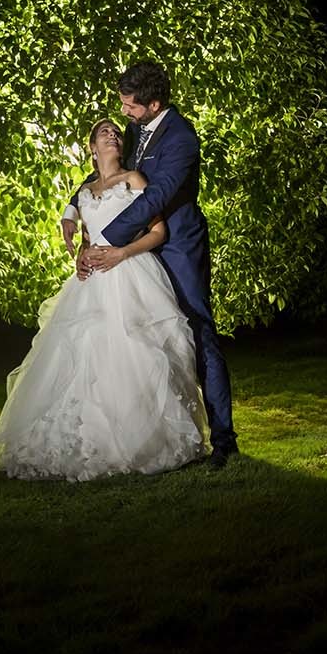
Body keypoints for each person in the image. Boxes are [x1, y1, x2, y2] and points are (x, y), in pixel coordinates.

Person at [0, 119, 205, 480]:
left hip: (130, 273)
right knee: (79, 354)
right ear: (91, 147)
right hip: (91, 282)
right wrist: (79, 247)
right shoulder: (84, 190)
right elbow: (82, 221)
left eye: (117, 132)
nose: (113, 134)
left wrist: (121, 253)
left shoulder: (135, 179)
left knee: (132, 349)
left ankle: (140, 437)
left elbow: (157, 231)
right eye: (105, 132)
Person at [67, 62, 239, 467]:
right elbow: (104, 181)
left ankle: (224, 441)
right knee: (145, 341)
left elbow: (156, 195)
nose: (124, 112)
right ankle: (156, 434)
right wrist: (81, 226)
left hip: (175, 244)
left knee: (197, 331)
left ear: (154, 103)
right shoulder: (134, 128)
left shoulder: (181, 137)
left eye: (130, 105)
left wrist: (108, 237)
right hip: (137, 256)